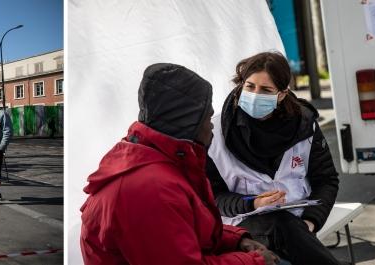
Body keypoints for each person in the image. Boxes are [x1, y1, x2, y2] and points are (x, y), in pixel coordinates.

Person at [80, 63, 278, 264]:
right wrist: (253, 261)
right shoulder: (150, 189)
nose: (211, 125)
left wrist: (237, 241)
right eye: (207, 117)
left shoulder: (156, 162)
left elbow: (181, 230)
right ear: (186, 122)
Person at [206, 51, 340, 264]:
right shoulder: (214, 132)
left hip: (297, 224)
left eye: (266, 90)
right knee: (281, 225)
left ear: (281, 94)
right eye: (249, 86)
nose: (255, 94)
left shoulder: (305, 126)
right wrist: (253, 203)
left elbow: (326, 181)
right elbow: (212, 197)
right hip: (243, 225)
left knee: (286, 228)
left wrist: (310, 222)